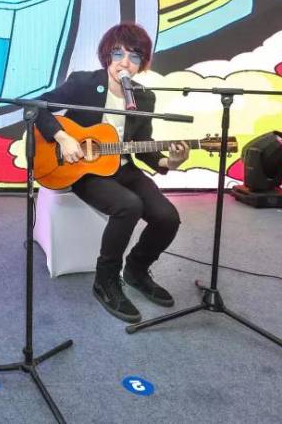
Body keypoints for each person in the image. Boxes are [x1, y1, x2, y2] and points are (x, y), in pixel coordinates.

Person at [36, 22, 189, 322]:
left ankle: (136, 270)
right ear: (107, 55)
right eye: (118, 53)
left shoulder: (143, 98)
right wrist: (63, 137)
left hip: (123, 167)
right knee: (128, 205)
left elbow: (143, 147)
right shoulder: (83, 83)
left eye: (134, 56)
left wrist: (170, 162)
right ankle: (105, 280)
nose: (124, 62)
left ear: (142, 64)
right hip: (83, 169)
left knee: (168, 217)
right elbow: (36, 107)